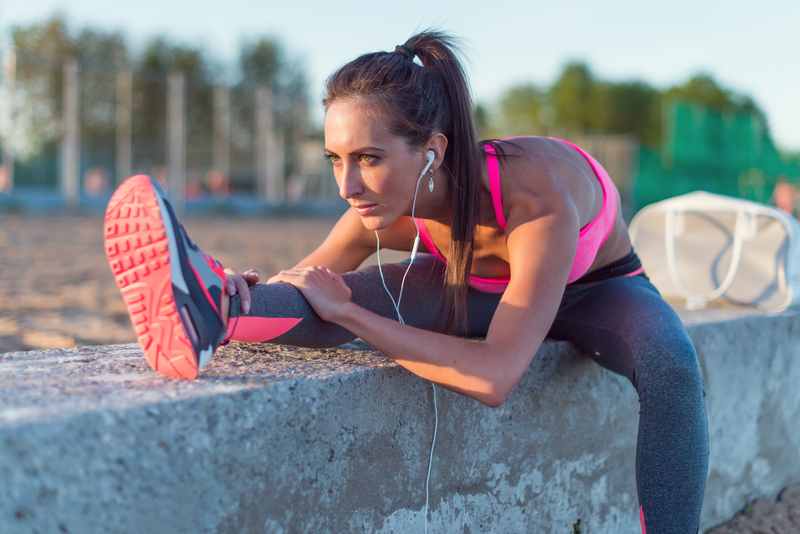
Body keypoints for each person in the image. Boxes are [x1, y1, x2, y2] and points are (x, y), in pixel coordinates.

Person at [104, 30, 709, 534]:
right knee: (329, 297)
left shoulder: (535, 199)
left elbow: (495, 375)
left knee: (672, 364)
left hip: (597, 288)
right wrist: (248, 287)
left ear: (431, 151)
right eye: (335, 160)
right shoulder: (385, 205)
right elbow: (314, 279)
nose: (348, 186)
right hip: (470, 283)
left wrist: (357, 318)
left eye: (368, 158)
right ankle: (208, 309)